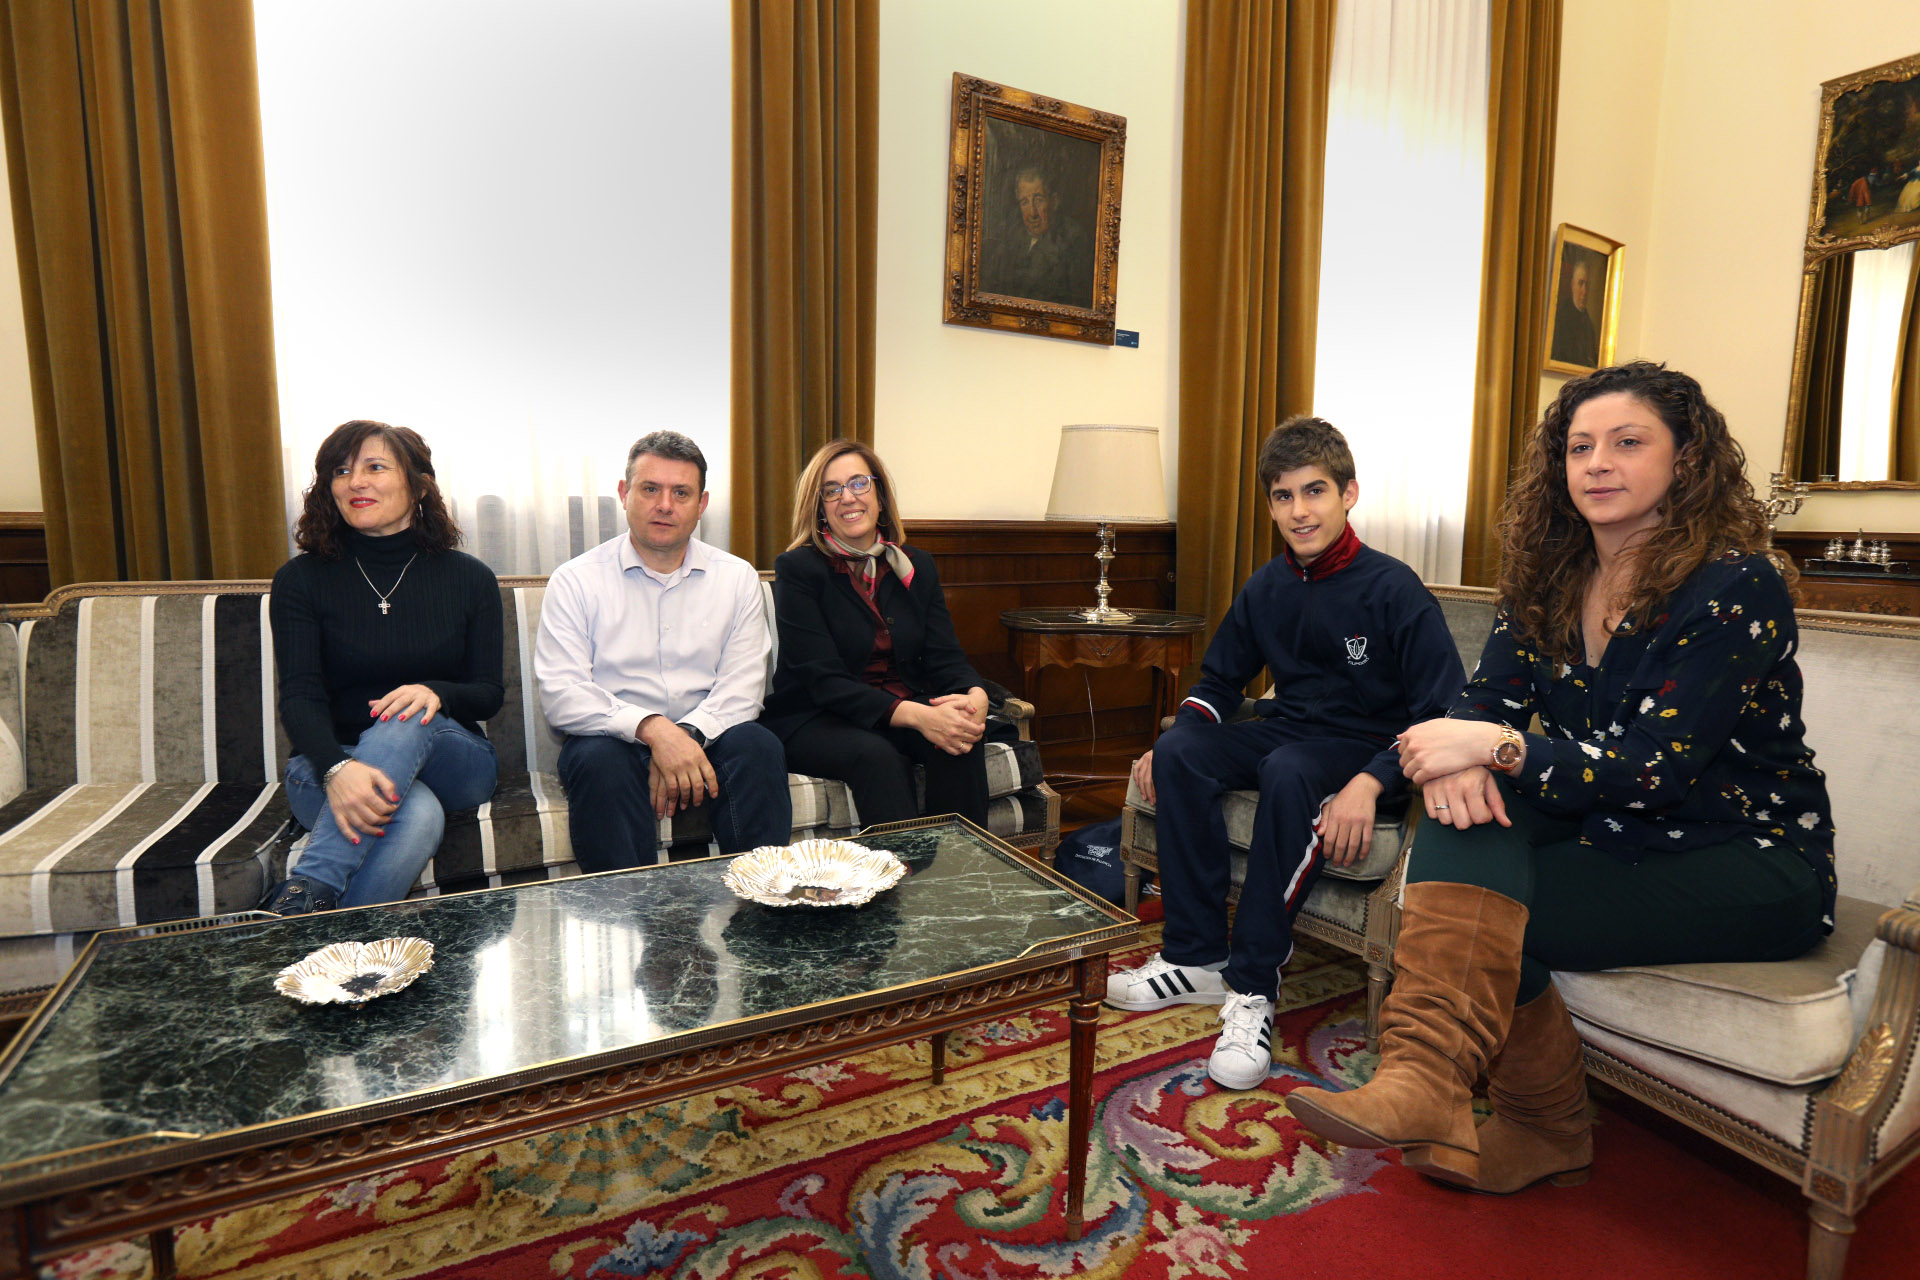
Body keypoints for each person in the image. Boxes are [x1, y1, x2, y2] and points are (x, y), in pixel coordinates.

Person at [1286, 362, 1835, 1194]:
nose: (1597, 463)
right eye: (1580, 447)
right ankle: (1428, 1078)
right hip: (1612, 824)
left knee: (1487, 907)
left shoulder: (1737, 585)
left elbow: (1653, 770)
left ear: (1687, 459)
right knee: (1472, 816)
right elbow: (1486, 698)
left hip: (1747, 854)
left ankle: (1536, 1120)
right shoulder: (1550, 579)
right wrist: (1464, 755)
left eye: (1627, 442)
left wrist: (1493, 747)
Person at [1103, 417, 1465, 1090]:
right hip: (1291, 730)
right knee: (1180, 750)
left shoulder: (1396, 589)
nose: (1299, 511)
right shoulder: (1267, 586)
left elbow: (1442, 713)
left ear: (1349, 493)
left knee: (1289, 768)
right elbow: (1219, 680)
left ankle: (1251, 988)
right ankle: (1197, 958)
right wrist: (1175, 736)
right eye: (1283, 496)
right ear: (1271, 506)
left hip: (1367, 749)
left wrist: (1371, 781)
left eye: (1314, 491)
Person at [265, 420, 503, 913]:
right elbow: (300, 697)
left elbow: (488, 693)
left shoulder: (470, 579)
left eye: (375, 467)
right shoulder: (300, 581)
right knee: (416, 815)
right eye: (341, 471)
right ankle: (340, 949)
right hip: (330, 762)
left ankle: (307, 889)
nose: (355, 482)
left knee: (406, 711)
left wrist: (435, 692)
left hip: (453, 761)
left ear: (419, 486)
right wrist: (337, 769)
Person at [534, 431, 790, 870]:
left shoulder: (737, 578)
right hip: (612, 738)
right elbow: (563, 694)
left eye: (681, 493)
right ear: (624, 493)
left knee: (758, 745)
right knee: (599, 761)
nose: (665, 505)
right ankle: (628, 910)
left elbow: (743, 687)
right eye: (650, 489)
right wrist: (654, 732)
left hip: (709, 733)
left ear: (702, 504)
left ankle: (761, 900)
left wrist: (684, 738)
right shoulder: (575, 580)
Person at [761, 440, 991, 827]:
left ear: (880, 496)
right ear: (820, 508)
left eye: (858, 483)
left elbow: (945, 657)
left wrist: (975, 694)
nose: (847, 497)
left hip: (901, 707)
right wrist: (918, 716)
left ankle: (959, 864)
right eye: (831, 490)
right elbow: (822, 680)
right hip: (819, 717)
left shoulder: (917, 565)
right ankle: (898, 868)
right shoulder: (798, 569)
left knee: (959, 737)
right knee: (877, 757)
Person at [981, 166, 1094, 309]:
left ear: (1054, 202)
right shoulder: (1010, 238)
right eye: (1025, 202)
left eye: (1038, 200)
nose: (1032, 213)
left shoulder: (1074, 240)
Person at [1551, 259, 1599, 368]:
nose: (1584, 291)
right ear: (1572, 285)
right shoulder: (1561, 319)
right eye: (1580, 283)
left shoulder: (1589, 325)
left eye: (1587, 285)